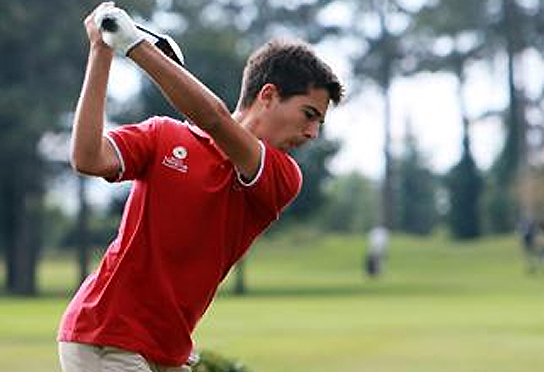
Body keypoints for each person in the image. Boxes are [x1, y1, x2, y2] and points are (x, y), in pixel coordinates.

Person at [57, 3, 343, 372]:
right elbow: (87, 157)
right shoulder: (162, 135)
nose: (312, 133)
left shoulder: (282, 176)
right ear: (268, 95)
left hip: (168, 350)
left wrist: (136, 47)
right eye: (309, 115)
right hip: (105, 336)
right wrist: (102, 51)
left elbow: (215, 119)